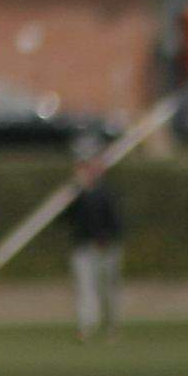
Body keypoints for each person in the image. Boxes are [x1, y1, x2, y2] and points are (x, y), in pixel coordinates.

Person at [65, 145, 126, 339]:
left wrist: (105, 239)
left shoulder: (106, 193)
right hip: (83, 247)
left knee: (109, 287)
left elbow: (114, 220)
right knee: (85, 288)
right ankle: (86, 326)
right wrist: (73, 196)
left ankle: (112, 326)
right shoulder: (76, 194)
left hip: (106, 247)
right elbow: (67, 220)